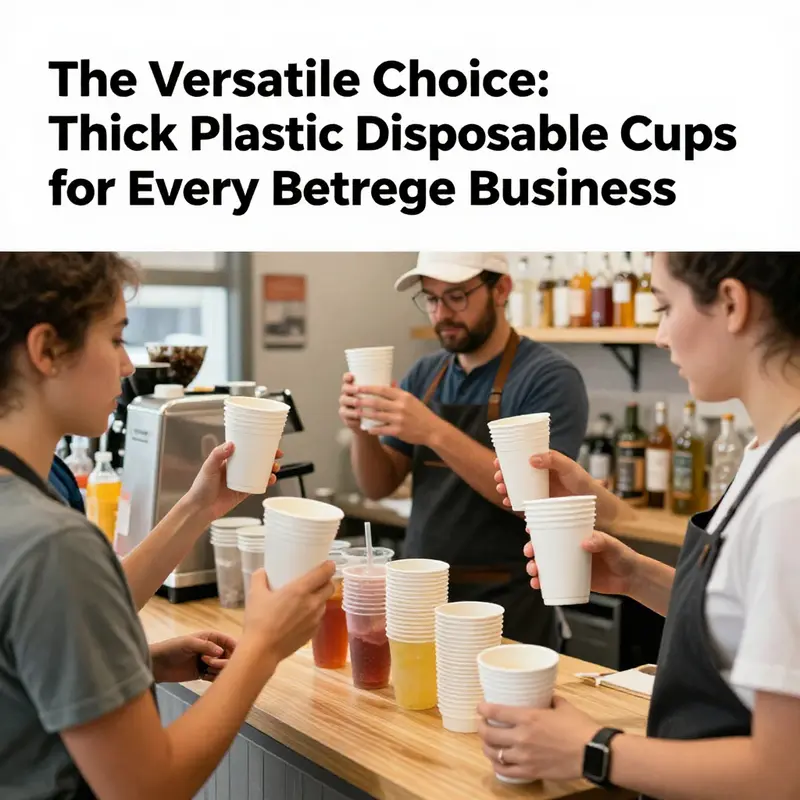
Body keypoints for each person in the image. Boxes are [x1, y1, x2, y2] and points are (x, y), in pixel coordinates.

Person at [0, 252, 335, 800]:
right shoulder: (53, 542)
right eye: (115, 338)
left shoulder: (25, 505)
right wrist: (263, 646)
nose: (127, 365)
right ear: (46, 350)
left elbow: (32, 648)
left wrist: (197, 507)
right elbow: (148, 788)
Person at [480, 253, 800, 799]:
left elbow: (781, 773)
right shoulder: (765, 452)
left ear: (732, 303)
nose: (659, 335)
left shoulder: (789, 492)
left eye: (665, 307)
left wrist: (592, 748)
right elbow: (747, 617)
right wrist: (635, 577)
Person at [339, 252, 589, 646]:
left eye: (456, 296)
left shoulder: (548, 377)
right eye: (431, 299)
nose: (441, 314)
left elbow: (537, 499)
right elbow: (378, 485)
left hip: (505, 604)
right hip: (423, 597)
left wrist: (432, 430)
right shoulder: (426, 374)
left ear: (501, 289)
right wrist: (361, 431)